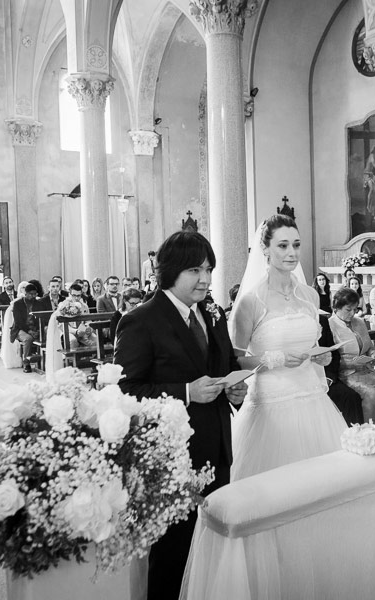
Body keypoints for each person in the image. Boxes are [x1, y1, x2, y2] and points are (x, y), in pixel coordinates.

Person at [114, 231, 247, 600]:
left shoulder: (212, 314)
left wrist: (236, 389)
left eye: (208, 269)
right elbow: (123, 391)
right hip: (170, 460)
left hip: (217, 450)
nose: (205, 279)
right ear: (170, 271)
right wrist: (186, 392)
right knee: (173, 555)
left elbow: (227, 365)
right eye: (195, 270)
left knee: (212, 547)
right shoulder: (141, 320)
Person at [229, 214, 347, 480]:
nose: (292, 253)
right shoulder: (251, 301)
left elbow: (313, 345)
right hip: (272, 405)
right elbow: (235, 362)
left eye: (296, 244)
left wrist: (322, 357)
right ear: (265, 250)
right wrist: (276, 358)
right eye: (283, 245)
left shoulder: (310, 295)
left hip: (313, 399)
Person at [329, 287, 375, 434]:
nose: (352, 314)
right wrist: (350, 363)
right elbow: (330, 359)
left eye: (355, 309)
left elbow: (369, 346)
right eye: (348, 310)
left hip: (366, 370)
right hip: (346, 373)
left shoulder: (359, 322)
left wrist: (373, 354)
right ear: (336, 307)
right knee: (371, 393)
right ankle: (366, 435)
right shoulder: (330, 325)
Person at [319, 311, 364, 426]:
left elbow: (334, 354)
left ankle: (356, 438)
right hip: (300, 379)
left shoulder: (322, 321)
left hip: (325, 377)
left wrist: (329, 377)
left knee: (351, 397)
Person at [9, 283, 41, 373]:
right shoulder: (18, 304)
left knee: (46, 334)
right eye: (31, 294)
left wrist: (38, 330)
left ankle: (44, 361)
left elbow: (41, 318)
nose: (33, 296)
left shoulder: (38, 303)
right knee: (28, 339)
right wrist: (30, 331)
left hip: (34, 328)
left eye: (35, 294)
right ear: (25, 293)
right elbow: (18, 322)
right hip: (20, 329)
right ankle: (26, 363)